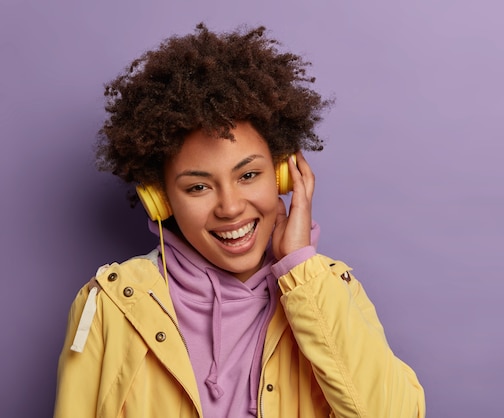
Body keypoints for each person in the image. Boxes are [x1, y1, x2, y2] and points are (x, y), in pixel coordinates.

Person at [53, 23, 425, 418]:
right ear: (160, 199)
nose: (230, 208)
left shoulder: (330, 289)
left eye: (248, 176)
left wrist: (299, 269)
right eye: (198, 187)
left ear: (284, 174)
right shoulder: (110, 303)